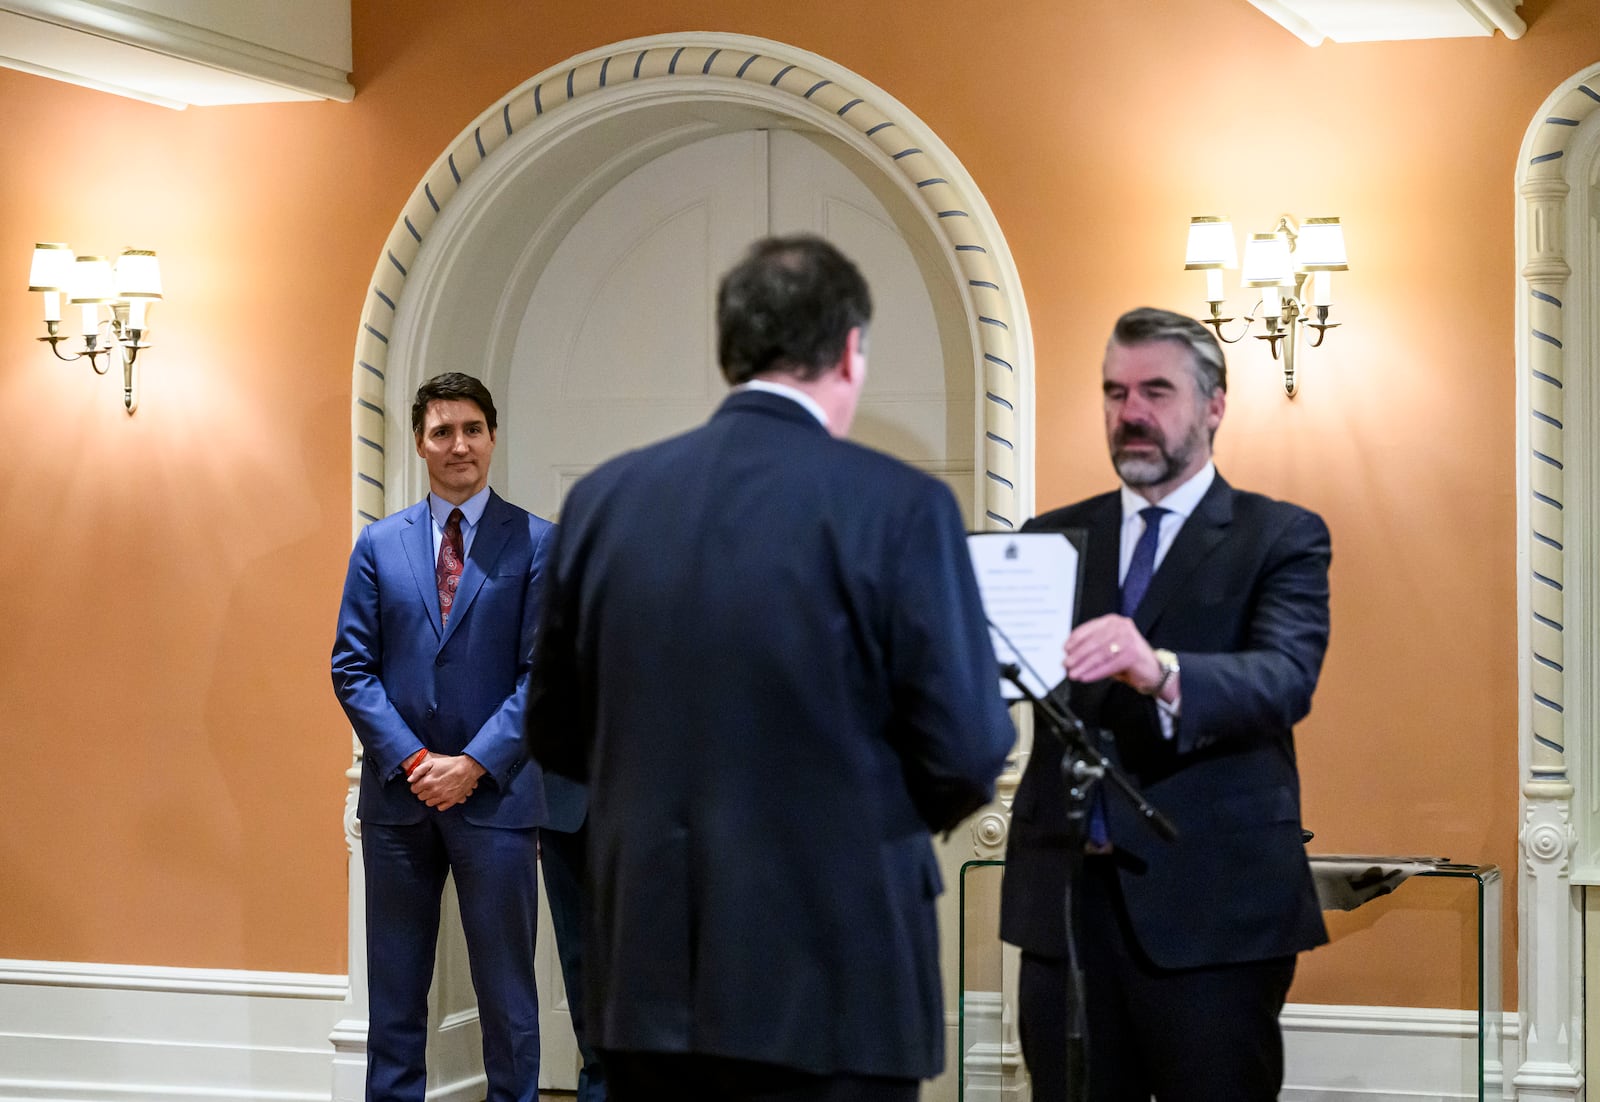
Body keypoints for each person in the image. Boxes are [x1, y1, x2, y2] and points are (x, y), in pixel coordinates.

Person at [525, 234, 1016, 1102]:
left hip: (651, 975)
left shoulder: (605, 502)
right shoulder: (899, 506)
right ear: (851, 351)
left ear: (730, 348)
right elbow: (969, 747)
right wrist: (854, 824)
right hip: (839, 969)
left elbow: (556, 733)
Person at [999, 308, 1331, 1101]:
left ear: (1214, 404)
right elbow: (1010, 689)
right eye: (1114, 393)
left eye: (1156, 390)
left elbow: (1286, 678)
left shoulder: (1279, 536)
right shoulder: (1049, 537)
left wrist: (1160, 670)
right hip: (1067, 912)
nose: (1131, 413)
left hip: (1214, 912)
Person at [331, 372, 603, 1102]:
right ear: (420, 443)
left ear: (491, 437)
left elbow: (544, 675)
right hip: (398, 804)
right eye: (443, 431)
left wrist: (474, 763)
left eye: (472, 430)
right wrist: (417, 760)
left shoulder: (541, 543)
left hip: (500, 806)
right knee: (394, 1003)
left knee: (510, 1003)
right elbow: (350, 667)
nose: (459, 446)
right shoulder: (378, 545)